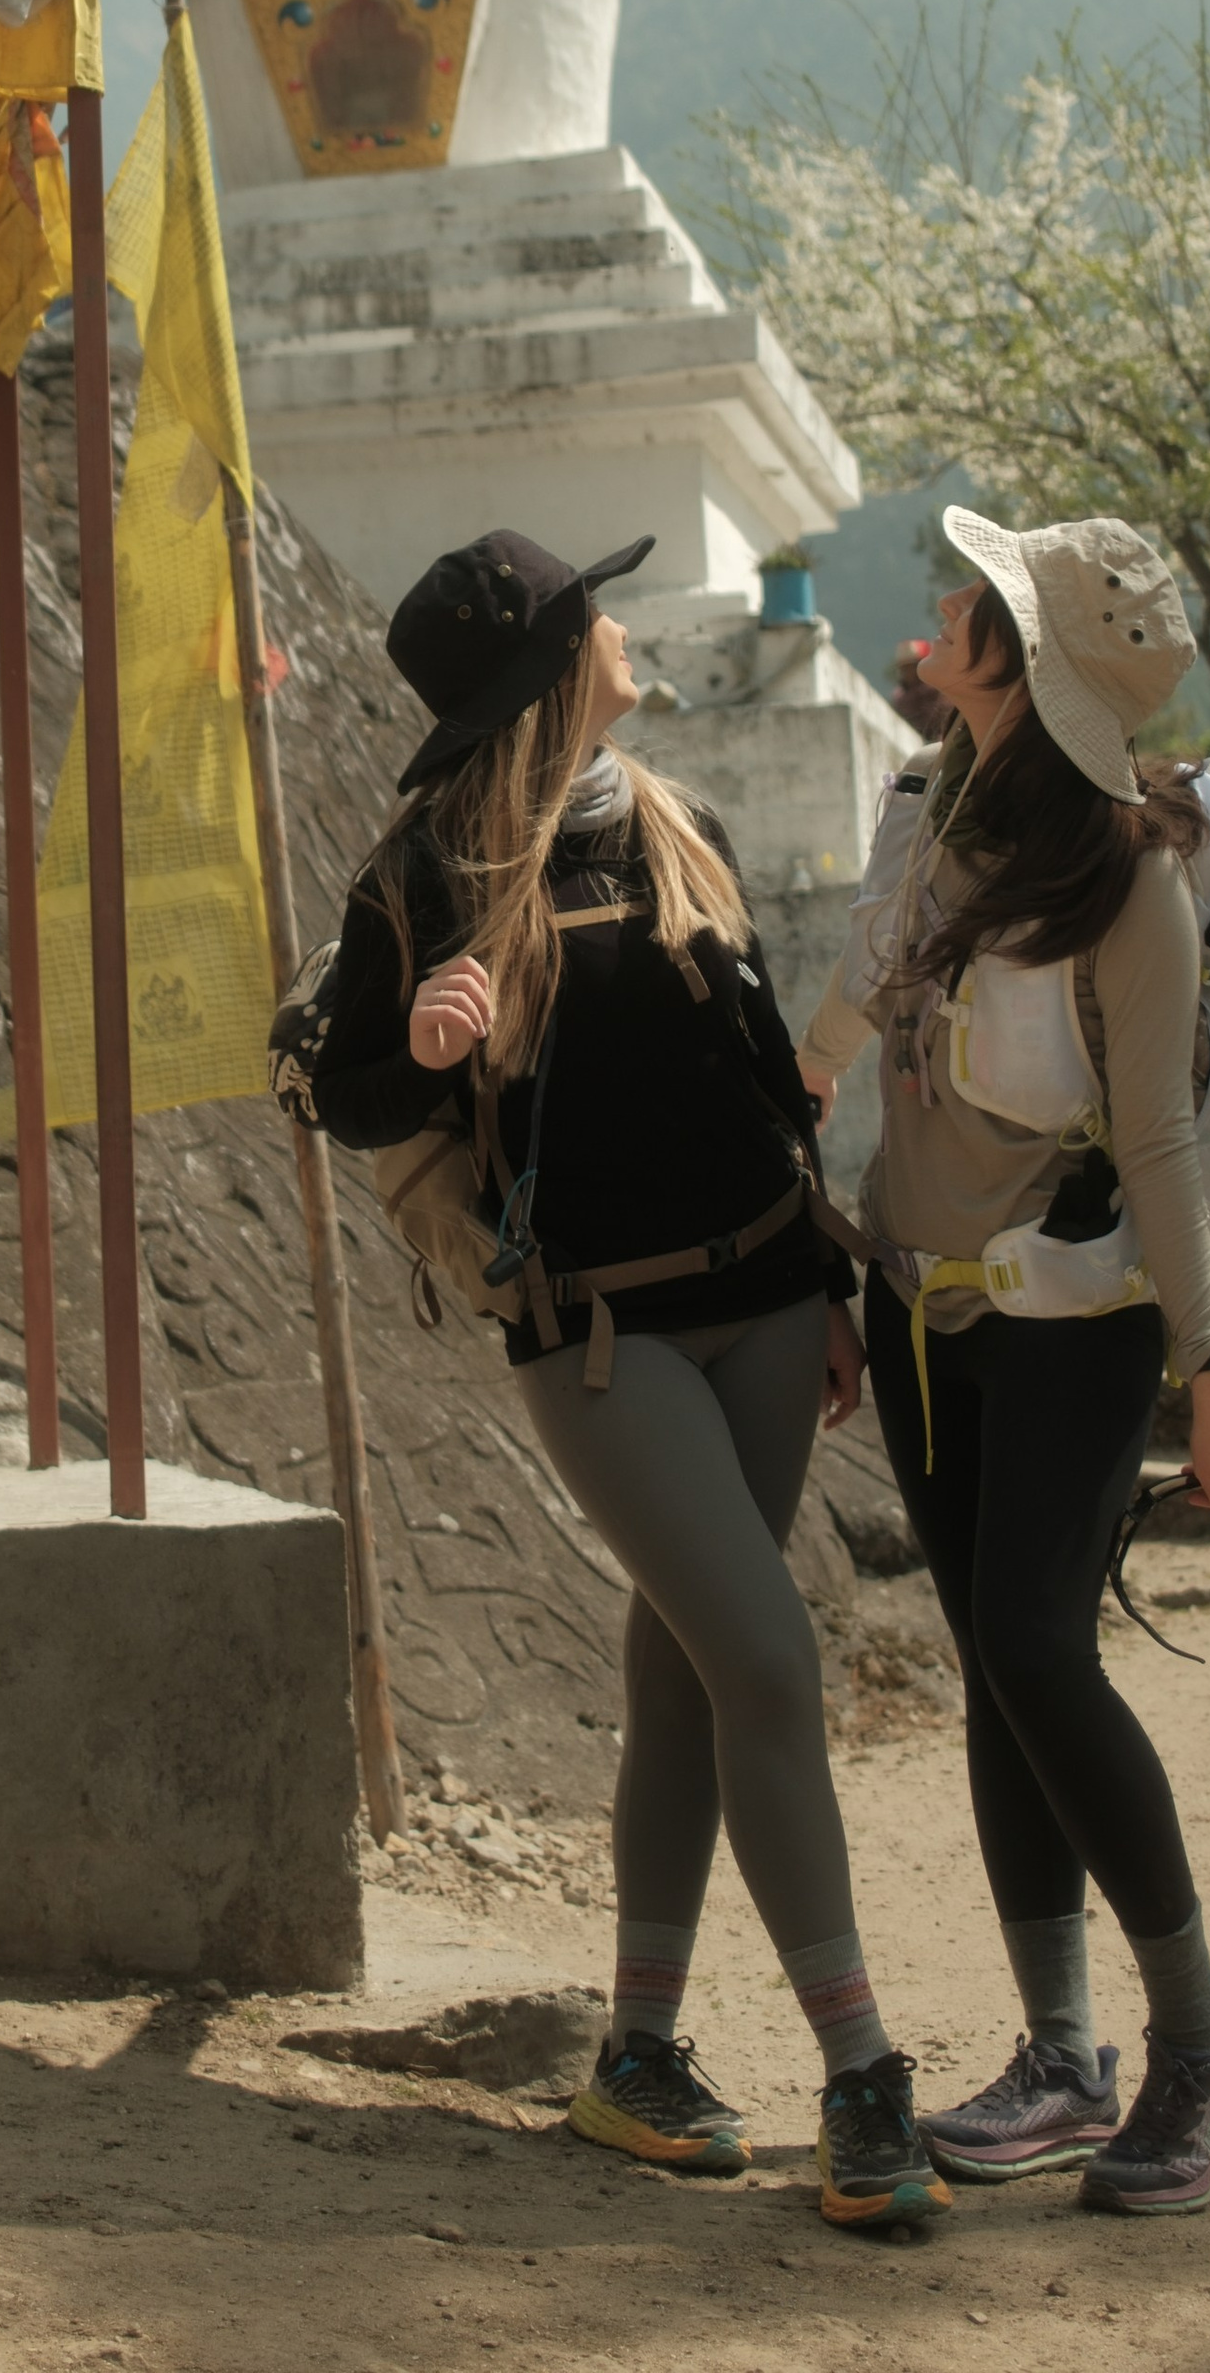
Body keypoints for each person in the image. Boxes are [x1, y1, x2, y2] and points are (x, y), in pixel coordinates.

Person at [311, 525, 949, 2235]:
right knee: (767, 1654)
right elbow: (340, 1088)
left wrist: (821, 1280)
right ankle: (862, 2076)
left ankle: (637, 2055)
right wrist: (420, 1048)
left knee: (687, 1675)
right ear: (549, 663)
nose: (621, 628)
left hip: (762, 1300)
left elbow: (757, 1075)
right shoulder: (421, 881)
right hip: (604, 1335)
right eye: (595, 614)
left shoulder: (669, 816)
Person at [799, 504, 1210, 2218]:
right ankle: (1062, 2056)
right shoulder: (934, 814)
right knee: (999, 1668)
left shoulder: (1131, 884)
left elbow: (1154, 1141)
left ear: (1019, 662)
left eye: (978, 599)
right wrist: (794, 1115)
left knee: (1030, 1647)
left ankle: (1198, 2037)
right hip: (925, 1315)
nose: (943, 610)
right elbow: (856, 1003)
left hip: (1075, 1321)